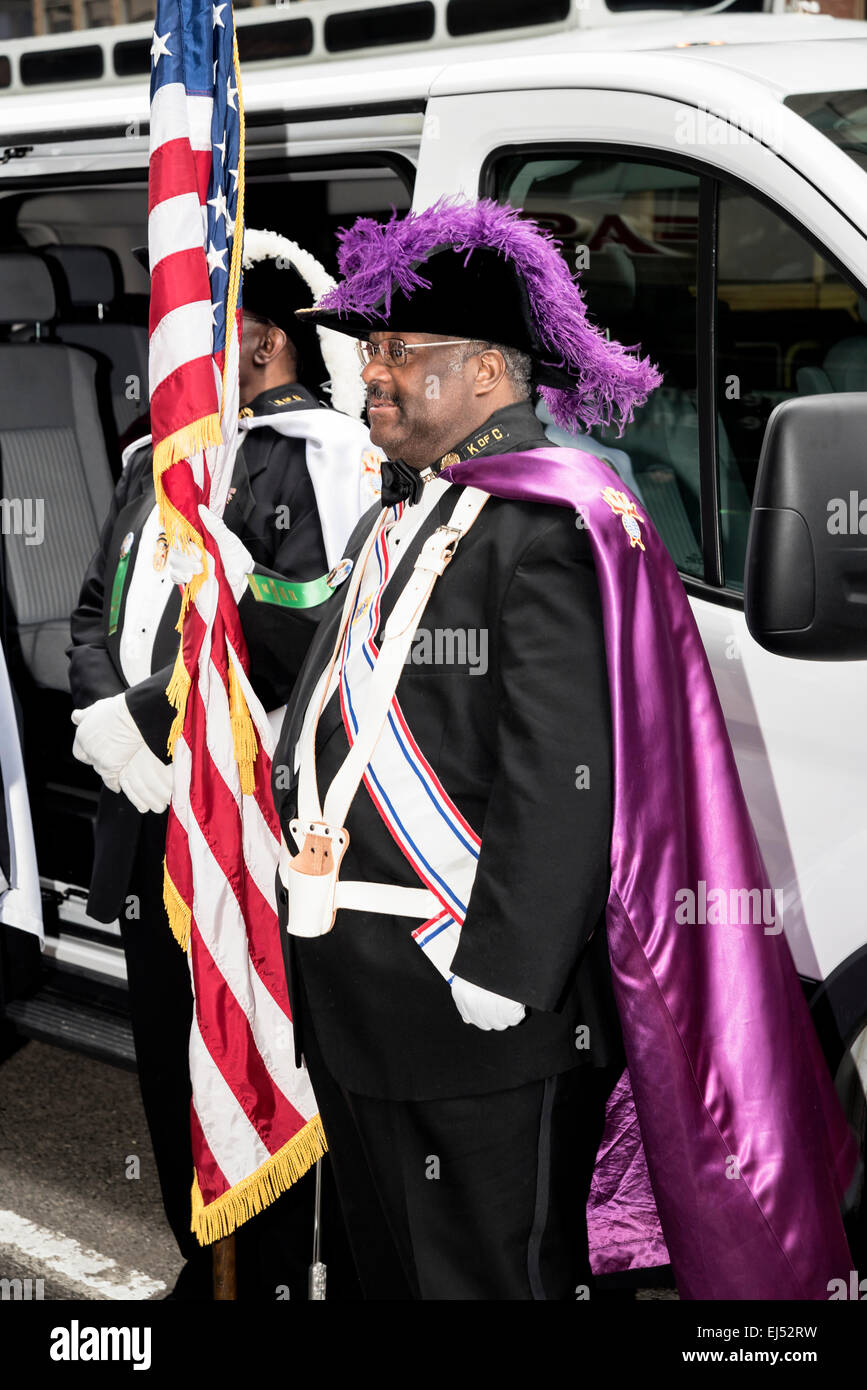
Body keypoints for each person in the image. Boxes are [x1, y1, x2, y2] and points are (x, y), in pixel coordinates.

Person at [189, 199, 855, 1300]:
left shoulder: (553, 525)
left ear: (492, 373)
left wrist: (503, 967)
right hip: (355, 1000)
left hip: (475, 1017)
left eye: (402, 354)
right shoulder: (398, 515)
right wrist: (219, 589)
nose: (373, 376)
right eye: (372, 353)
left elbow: (565, 779)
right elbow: (350, 692)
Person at [67, 230, 377, 1300]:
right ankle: (204, 1263)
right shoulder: (150, 459)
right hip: (142, 809)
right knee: (163, 1062)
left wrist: (143, 717)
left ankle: (274, 1279)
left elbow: (284, 639)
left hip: (242, 818)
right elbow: (88, 610)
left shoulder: (317, 462)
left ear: (259, 345)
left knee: (258, 1069)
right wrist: (103, 714)